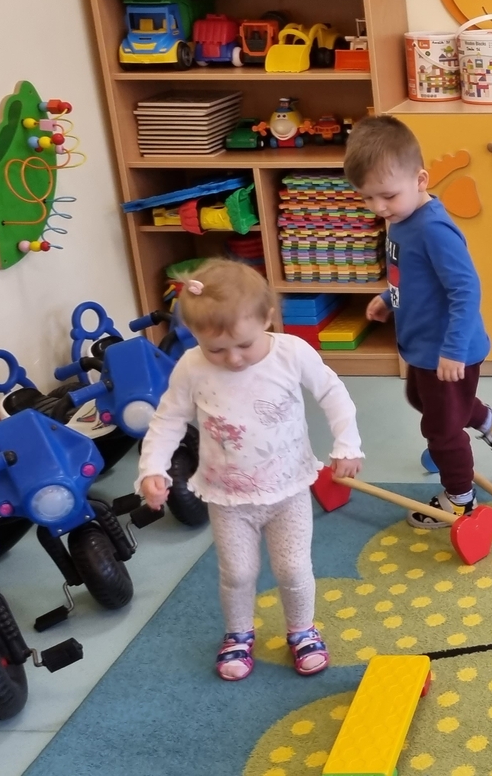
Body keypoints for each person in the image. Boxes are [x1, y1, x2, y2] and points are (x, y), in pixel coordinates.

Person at [138, 260, 363, 681]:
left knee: (293, 569)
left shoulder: (291, 353)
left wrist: (347, 443)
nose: (234, 359)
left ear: (267, 318)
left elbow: (332, 393)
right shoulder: (191, 366)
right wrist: (153, 468)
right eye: (216, 349)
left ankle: (302, 630)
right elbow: (168, 419)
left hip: (288, 489)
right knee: (238, 573)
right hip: (227, 498)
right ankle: (238, 633)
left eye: (243, 344)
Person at [344, 115, 492, 524]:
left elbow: (466, 289)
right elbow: (416, 275)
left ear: (420, 179)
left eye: (387, 196)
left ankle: (460, 499)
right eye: (367, 198)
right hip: (423, 345)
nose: (378, 207)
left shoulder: (434, 229)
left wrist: (453, 350)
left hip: (448, 350)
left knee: (441, 430)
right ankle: (491, 423)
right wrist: (388, 298)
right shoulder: (401, 218)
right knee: (421, 401)